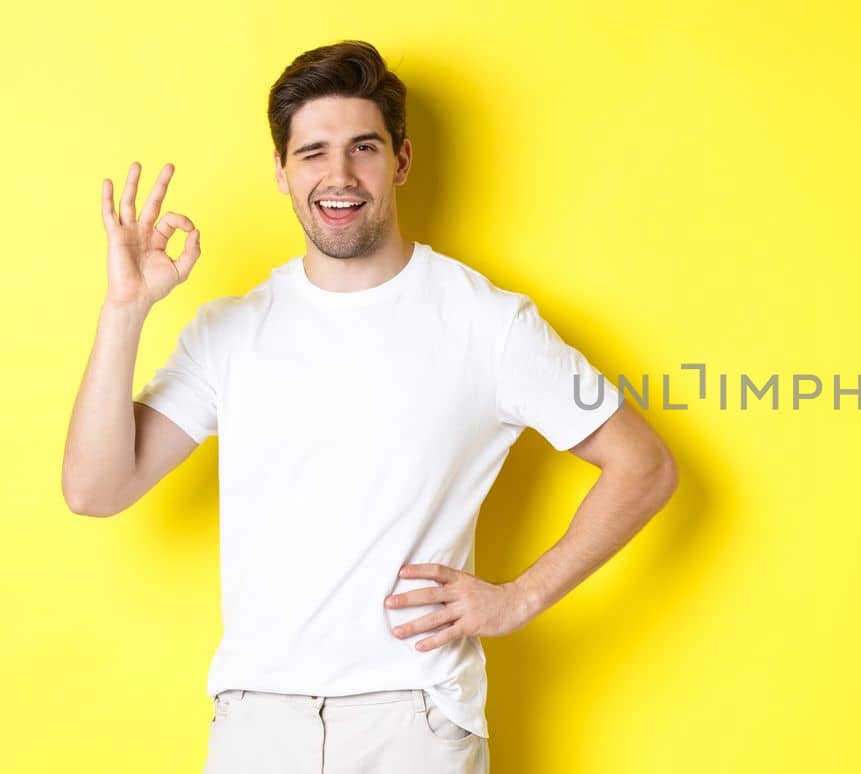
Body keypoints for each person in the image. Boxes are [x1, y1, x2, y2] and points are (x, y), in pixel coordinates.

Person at [59, 39, 679, 773]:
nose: (339, 175)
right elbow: (94, 489)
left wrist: (518, 599)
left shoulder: (489, 324)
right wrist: (125, 310)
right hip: (257, 721)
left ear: (402, 161)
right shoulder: (230, 331)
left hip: (414, 721)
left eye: (364, 147)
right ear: (283, 174)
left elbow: (644, 465)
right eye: (313, 153)